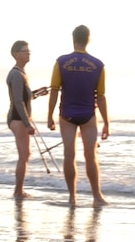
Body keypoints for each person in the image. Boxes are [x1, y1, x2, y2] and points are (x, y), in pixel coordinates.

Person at [47, 25, 109, 207]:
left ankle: (72, 197)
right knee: (91, 155)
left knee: (69, 155)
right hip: (89, 114)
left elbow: (54, 90)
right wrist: (106, 123)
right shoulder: (98, 65)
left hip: (67, 114)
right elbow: (101, 96)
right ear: (88, 39)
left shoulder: (61, 62)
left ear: (73, 38)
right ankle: (97, 197)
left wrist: (49, 116)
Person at [6, 40, 36, 199]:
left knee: (25, 154)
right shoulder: (16, 74)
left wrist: (36, 94)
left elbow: (24, 97)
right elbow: (18, 101)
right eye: (25, 51)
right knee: (24, 155)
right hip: (17, 119)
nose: (28, 53)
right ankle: (18, 191)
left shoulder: (22, 73)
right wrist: (27, 123)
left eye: (29, 51)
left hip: (19, 118)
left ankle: (19, 190)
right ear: (16, 54)